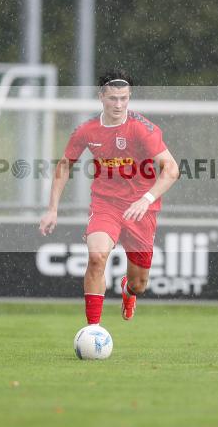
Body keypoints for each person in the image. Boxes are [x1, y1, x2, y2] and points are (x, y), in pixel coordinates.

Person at [39, 72, 179, 324]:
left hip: (141, 209)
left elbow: (172, 169)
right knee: (96, 257)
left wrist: (146, 199)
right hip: (106, 205)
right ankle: (93, 330)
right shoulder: (87, 130)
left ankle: (128, 291)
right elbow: (64, 165)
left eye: (124, 99)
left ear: (130, 98)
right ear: (101, 96)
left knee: (140, 285)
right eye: (113, 98)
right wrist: (52, 209)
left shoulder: (142, 129)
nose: (119, 105)